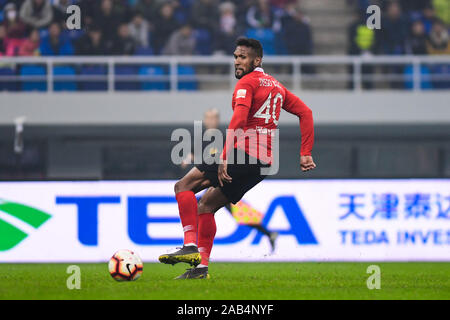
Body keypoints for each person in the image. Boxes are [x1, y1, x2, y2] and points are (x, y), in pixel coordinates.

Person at [158, 38, 316, 279]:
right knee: (206, 206)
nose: (237, 61)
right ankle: (201, 269)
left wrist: (224, 157)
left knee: (183, 186)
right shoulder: (276, 86)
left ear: (257, 60)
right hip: (262, 164)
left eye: (243, 57)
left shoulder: (247, 83)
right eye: (235, 56)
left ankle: (189, 245)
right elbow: (306, 112)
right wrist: (305, 153)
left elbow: (239, 121)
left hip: (243, 154)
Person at [179, 108, 280, 253]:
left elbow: (228, 155)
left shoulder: (224, 136)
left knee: (205, 206)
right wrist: (190, 157)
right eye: (208, 118)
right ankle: (268, 233)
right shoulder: (202, 138)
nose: (210, 121)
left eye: (213, 118)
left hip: (224, 177)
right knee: (212, 208)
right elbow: (198, 157)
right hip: (212, 177)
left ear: (217, 120)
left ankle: (192, 244)